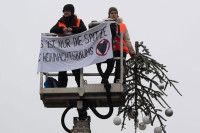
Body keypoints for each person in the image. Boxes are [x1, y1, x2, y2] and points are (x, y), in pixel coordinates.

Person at [50, 4, 87, 87]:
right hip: (63, 51)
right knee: (62, 70)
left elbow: (84, 30)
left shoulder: (78, 21)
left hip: (75, 51)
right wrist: (62, 29)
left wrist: (72, 29)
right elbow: (52, 30)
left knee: (76, 70)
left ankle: (80, 86)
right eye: (64, 11)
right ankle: (61, 87)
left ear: (72, 12)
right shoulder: (60, 21)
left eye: (68, 11)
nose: (66, 12)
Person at [107, 7, 135, 83]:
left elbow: (127, 40)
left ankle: (117, 81)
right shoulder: (105, 24)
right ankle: (104, 80)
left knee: (119, 67)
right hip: (109, 50)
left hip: (121, 49)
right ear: (109, 15)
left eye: (115, 13)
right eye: (112, 13)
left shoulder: (122, 25)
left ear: (117, 14)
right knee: (109, 66)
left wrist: (132, 52)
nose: (113, 14)